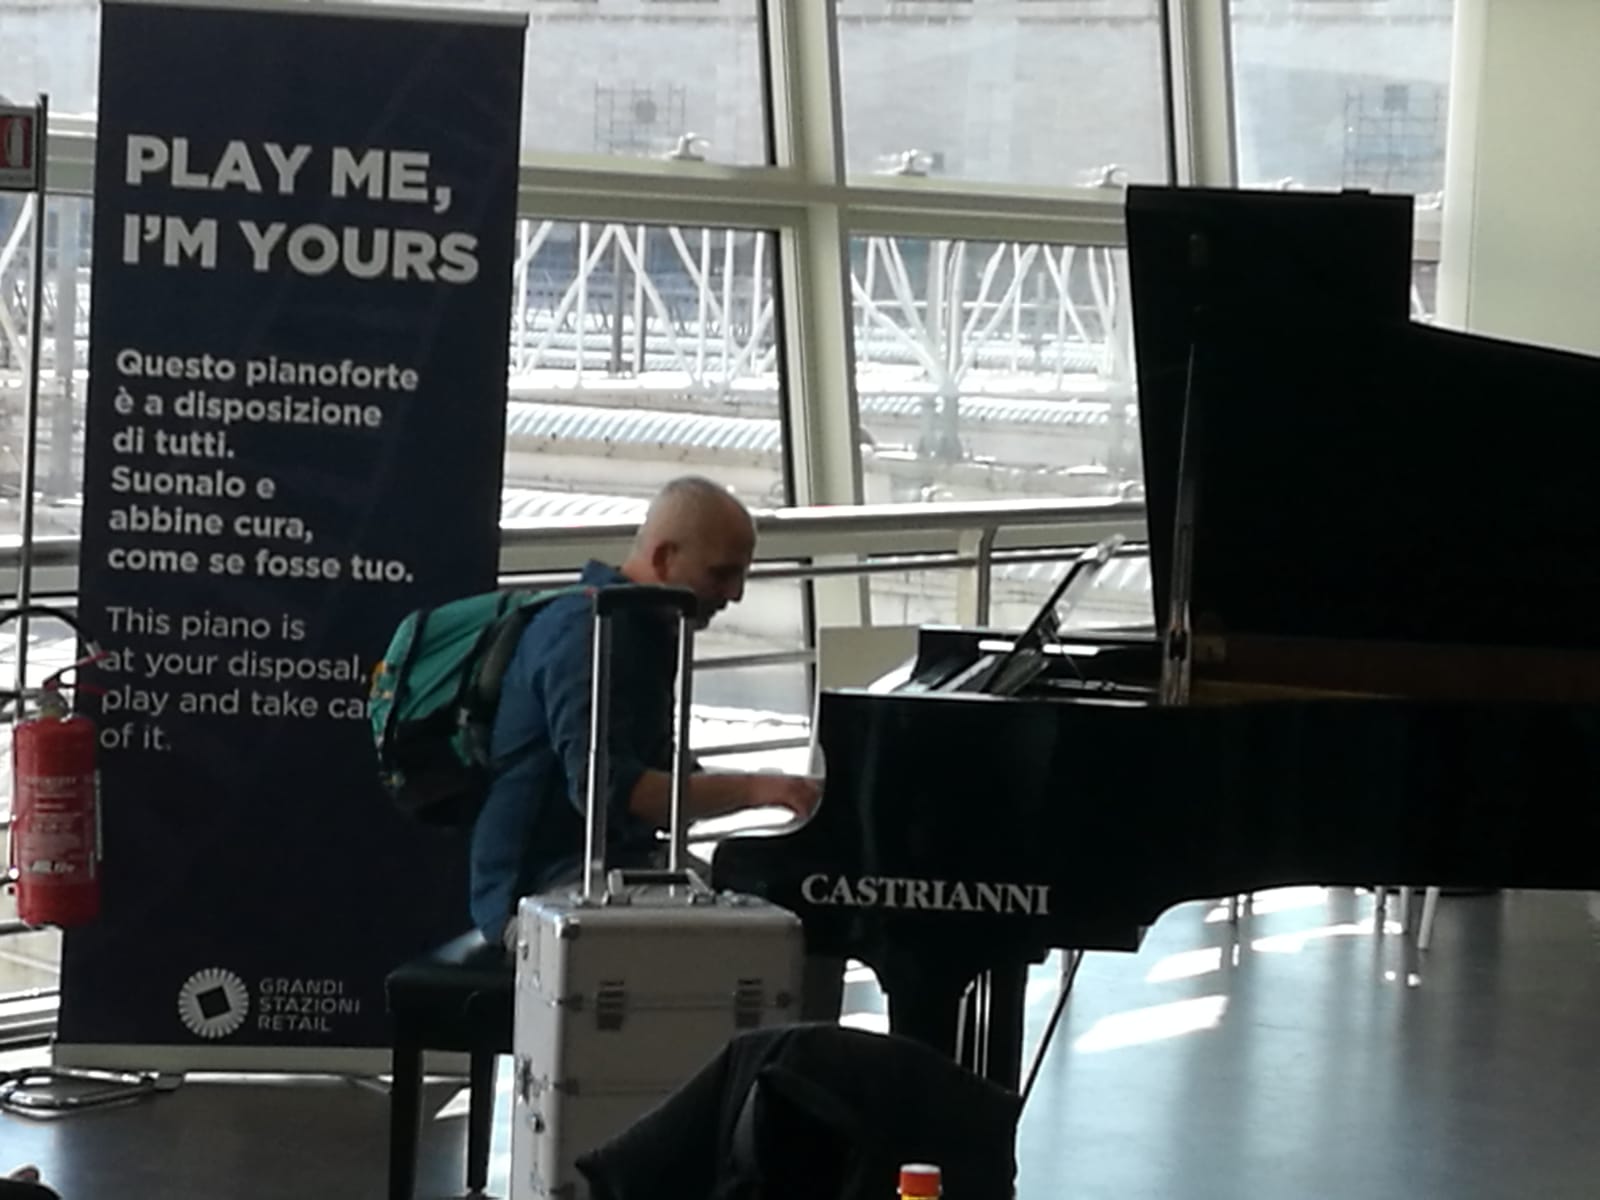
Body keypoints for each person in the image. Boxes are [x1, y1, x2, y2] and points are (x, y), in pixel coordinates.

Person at [469, 476, 821, 951]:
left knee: (781, 912)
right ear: (663, 558)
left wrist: (765, 793)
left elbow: (661, 773)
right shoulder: (590, 634)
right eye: (721, 573)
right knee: (749, 944)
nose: (735, 594)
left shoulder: (637, 628)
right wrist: (758, 789)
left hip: (609, 863)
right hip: (540, 889)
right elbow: (612, 793)